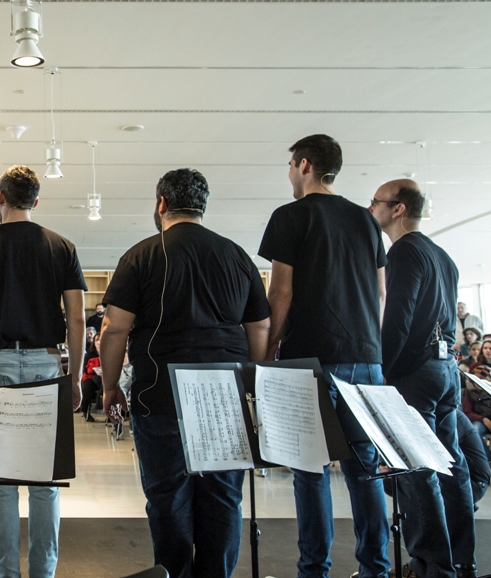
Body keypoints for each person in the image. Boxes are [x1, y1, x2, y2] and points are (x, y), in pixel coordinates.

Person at [98, 168, 270, 578]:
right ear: (203, 207)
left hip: (162, 394)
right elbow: (259, 327)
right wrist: (253, 384)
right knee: (224, 498)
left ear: (161, 204)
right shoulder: (237, 256)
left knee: (167, 497)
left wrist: (109, 388)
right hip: (226, 395)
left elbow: (114, 327)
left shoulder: (141, 255)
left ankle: (174, 574)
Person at [258, 134, 391, 578]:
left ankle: (313, 570)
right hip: (365, 359)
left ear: (304, 164)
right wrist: (370, 343)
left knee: (309, 470)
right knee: (364, 470)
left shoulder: (290, 216)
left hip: (309, 359)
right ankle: (375, 568)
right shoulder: (366, 221)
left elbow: (280, 291)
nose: (290, 175)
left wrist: (268, 352)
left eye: (290, 166)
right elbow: (380, 292)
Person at [0, 164, 86, 578]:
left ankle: (4, 573)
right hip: (45, 364)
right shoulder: (62, 246)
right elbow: (76, 319)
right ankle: (44, 573)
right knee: (45, 481)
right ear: (36, 201)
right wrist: (73, 378)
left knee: (1, 482)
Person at [369, 179, 476, 578]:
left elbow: (398, 320)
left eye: (376, 201)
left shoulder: (405, 251)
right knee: (453, 468)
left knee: (418, 471)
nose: (371, 207)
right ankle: (461, 562)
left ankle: (431, 566)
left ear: (398, 209)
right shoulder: (442, 255)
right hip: (446, 371)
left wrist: (382, 376)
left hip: (416, 374)